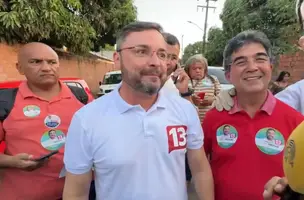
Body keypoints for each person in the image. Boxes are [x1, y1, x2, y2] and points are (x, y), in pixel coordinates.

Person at [62, 21, 214, 200]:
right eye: (141, 51)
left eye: (162, 54)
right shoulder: (86, 120)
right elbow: (76, 192)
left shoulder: (185, 110)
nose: (156, 62)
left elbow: (200, 169)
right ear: (117, 59)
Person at [202, 30, 304, 200]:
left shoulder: (296, 122)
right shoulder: (214, 117)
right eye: (241, 61)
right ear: (228, 75)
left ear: (270, 68)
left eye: (260, 59)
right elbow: (199, 166)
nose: (252, 67)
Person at [0, 42, 89, 199]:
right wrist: (12, 161)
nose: (46, 68)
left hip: (79, 193)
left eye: (52, 62)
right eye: (36, 62)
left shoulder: (81, 97)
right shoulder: (6, 102)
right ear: (19, 68)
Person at [184, 54, 221, 122]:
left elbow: (221, 97)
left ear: (205, 69)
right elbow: (180, 98)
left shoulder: (213, 79)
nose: (197, 71)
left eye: (200, 68)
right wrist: (191, 100)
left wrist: (213, 100)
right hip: (193, 122)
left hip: (212, 120)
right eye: (194, 68)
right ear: (188, 70)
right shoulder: (185, 81)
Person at [162, 32, 193, 102]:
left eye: (173, 58)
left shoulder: (178, 86)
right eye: (163, 55)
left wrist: (184, 92)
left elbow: (191, 112)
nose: (168, 62)